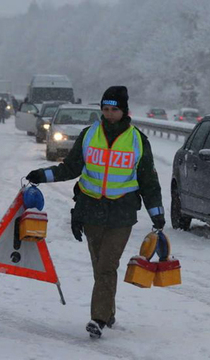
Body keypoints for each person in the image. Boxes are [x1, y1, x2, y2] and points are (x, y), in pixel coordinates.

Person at [25, 86, 165, 339]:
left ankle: (98, 319)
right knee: (99, 265)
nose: (109, 114)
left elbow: (149, 183)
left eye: (114, 110)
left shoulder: (138, 141)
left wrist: (157, 214)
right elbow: (71, 168)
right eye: (105, 109)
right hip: (91, 211)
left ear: (124, 111)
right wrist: (42, 175)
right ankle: (108, 312)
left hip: (121, 213)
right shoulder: (89, 135)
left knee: (107, 265)